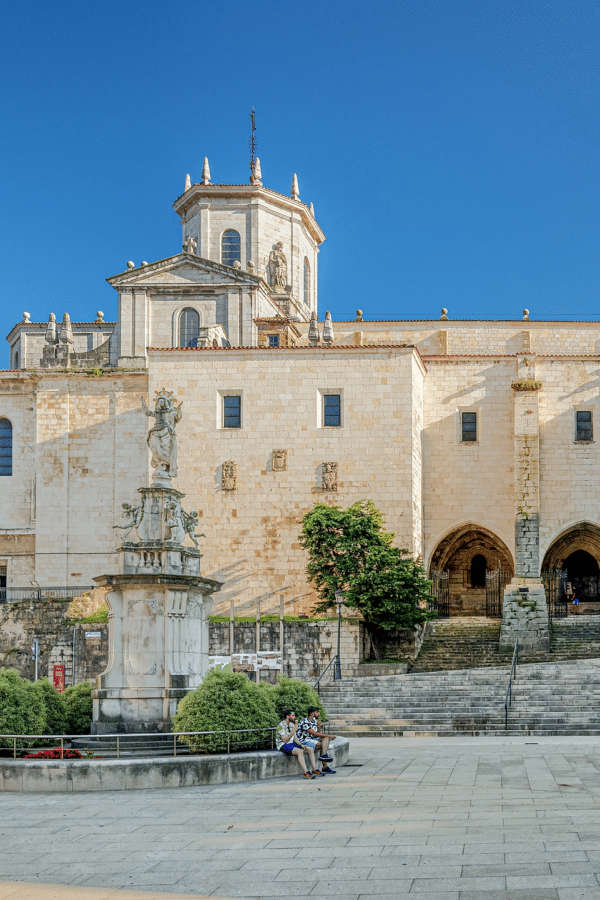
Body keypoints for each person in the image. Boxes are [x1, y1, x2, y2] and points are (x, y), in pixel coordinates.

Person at [276, 710, 322, 779]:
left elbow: (295, 739)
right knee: (299, 751)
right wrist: (293, 730)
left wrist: (301, 745)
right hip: (283, 745)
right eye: (293, 715)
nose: (295, 717)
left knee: (310, 749)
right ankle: (306, 773)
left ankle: (315, 770)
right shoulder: (280, 726)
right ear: (287, 716)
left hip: (292, 743)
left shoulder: (292, 725)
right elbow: (285, 741)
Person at [295, 706, 337, 774]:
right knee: (324, 745)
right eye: (317, 712)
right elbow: (314, 734)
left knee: (326, 739)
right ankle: (325, 765)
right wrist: (329, 735)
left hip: (312, 739)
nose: (319, 714)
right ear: (312, 713)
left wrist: (319, 727)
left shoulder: (314, 721)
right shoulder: (304, 721)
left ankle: (324, 757)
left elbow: (318, 733)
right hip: (304, 740)